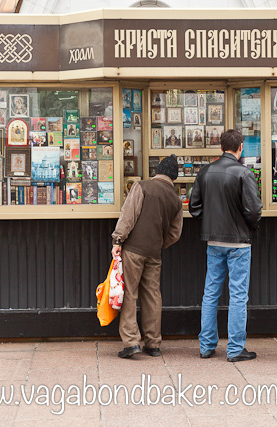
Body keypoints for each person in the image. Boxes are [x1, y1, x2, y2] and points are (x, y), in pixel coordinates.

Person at [189, 129, 263, 362]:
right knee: (238, 295)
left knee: (210, 293)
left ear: (221, 147)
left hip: (213, 241)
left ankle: (207, 346)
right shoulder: (244, 173)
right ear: (240, 147)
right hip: (239, 242)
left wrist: (211, 221)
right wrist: (249, 226)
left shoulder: (206, 172)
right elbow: (253, 210)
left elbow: (194, 207)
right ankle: (235, 349)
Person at [112, 154, 183, 358]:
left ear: (157, 172)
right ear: (173, 178)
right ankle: (153, 344)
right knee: (152, 296)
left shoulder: (142, 186)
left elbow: (128, 215)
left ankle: (131, 343)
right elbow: (175, 234)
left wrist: (118, 240)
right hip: (154, 253)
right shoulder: (176, 200)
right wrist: (159, 244)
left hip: (133, 249)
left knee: (129, 294)